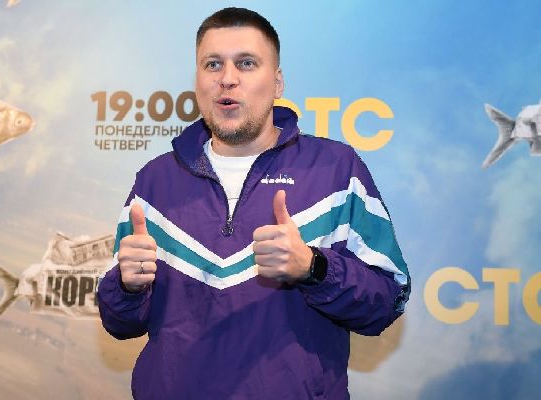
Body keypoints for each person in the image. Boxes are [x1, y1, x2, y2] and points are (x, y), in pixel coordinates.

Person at [98, 7, 410, 400]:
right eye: (213, 64)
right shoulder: (155, 180)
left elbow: (386, 302)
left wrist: (314, 268)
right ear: (198, 80)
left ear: (277, 82)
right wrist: (127, 286)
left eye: (246, 63)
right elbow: (120, 322)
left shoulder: (336, 170)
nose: (227, 78)